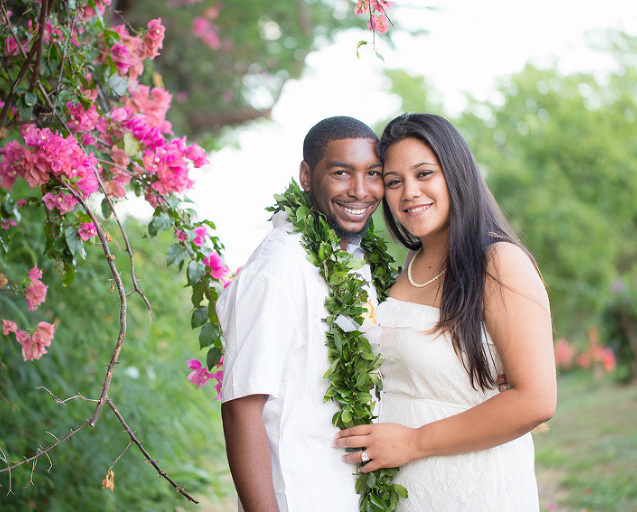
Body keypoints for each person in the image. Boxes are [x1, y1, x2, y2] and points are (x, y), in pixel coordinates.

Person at [334, 113, 557, 510]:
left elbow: (536, 399)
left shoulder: (499, 261)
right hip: (404, 493)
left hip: (472, 489)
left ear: (455, 173)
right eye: (394, 182)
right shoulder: (406, 267)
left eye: (424, 174)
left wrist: (413, 442)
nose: (409, 193)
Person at [216, 116, 384, 512]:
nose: (360, 190)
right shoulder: (280, 268)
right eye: (342, 173)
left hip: (346, 493)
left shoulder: (346, 259)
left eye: (373, 174)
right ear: (307, 176)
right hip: (299, 496)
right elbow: (241, 407)